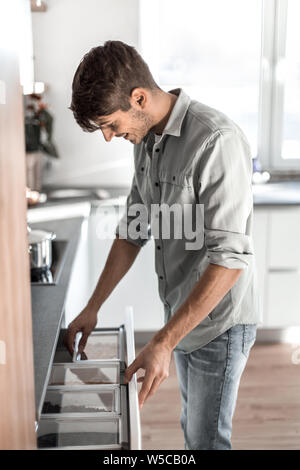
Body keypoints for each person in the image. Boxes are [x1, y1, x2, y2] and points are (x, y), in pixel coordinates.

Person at [65, 40, 260, 450]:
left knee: (207, 440)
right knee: (194, 428)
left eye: (109, 124)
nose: (108, 136)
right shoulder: (146, 142)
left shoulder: (215, 141)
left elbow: (230, 260)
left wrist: (163, 342)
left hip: (219, 323)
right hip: (181, 313)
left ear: (138, 98)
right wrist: (92, 306)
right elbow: (133, 229)